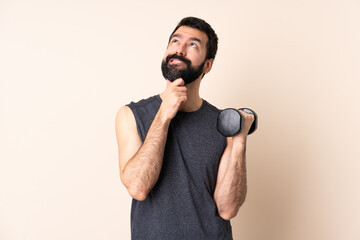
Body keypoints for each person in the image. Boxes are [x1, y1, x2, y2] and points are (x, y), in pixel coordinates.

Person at [115, 16, 254, 240]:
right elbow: (138, 188)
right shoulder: (131, 115)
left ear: (207, 65)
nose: (179, 50)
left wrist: (239, 139)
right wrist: (164, 114)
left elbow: (227, 208)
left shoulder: (222, 124)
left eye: (192, 45)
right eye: (175, 42)